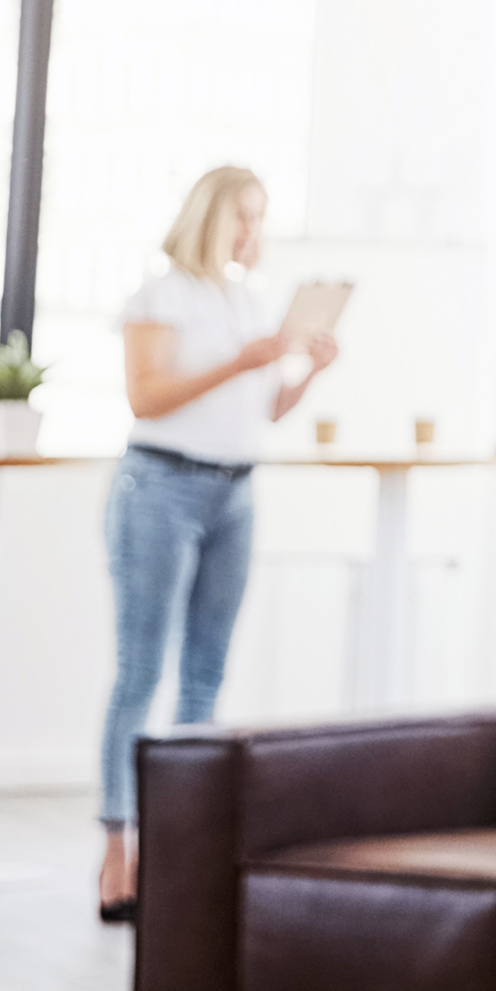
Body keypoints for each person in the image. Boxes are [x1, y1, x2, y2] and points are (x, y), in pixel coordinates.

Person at [97, 164, 337, 919]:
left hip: (235, 491)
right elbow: (148, 396)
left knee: (206, 674)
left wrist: (306, 373)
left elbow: (259, 410)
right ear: (207, 214)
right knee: (142, 672)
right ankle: (118, 855)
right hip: (160, 488)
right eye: (242, 216)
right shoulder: (159, 294)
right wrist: (243, 358)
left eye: (259, 218)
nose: (251, 233)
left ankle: (181, 845)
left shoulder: (246, 299)